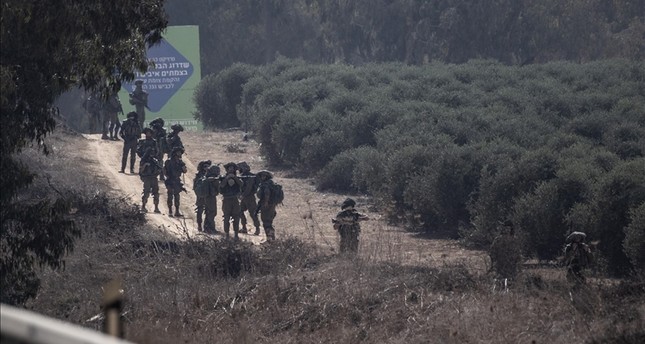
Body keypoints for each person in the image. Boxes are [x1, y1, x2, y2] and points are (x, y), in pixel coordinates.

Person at [219, 162, 243, 239]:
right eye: (229, 168)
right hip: (226, 199)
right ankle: (227, 234)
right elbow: (221, 186)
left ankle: (236, 234)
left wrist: (235, 178)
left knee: (236, 217)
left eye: (232, 168)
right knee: (226, 217)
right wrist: (227, 178)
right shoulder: (223, 177)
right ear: (227, 169)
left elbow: (241, 184)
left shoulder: (237, 178)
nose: (231, 170)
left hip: (235, 199)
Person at [237, 161, 261, 235]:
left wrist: (242, 195)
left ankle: (257, 229)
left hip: (249, 197)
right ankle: (244, 227)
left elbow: (249, 188)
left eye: (240, 168)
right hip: (244, 197)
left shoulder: (250, 177)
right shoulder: (243, 176)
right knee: (240, 212)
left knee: (253, 213)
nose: (239, 169)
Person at [255, 170, 278, 241]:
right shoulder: (271, 184)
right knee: (269, 222)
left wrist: (266, 202)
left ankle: (270, 239)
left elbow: (267, 193)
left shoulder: (266, 185)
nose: (262, 177)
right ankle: (271, 238)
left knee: (266, 223)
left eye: (264, 176)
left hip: (267, 206)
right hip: (271, 206)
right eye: (262, 176)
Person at [138, 144, 162, 213]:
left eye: (153, 153)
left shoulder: (155, 161)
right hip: (147, 178)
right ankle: (143, 206)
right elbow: (141, 171)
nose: (152, 155)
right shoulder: (144, 160)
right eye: (151, 153)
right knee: (146, 192)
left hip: (154, 178)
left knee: (156, 193)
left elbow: (159, 169)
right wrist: (145, 165)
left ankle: (156, 207)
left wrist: (158, 170)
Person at [164, 147, 187, 217]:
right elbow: (165, 171)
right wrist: (167, 177)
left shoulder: (180, 162)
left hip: (177, 180)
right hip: (170, 180)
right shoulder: (168, 161)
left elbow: (185, 171)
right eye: (178, 152)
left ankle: (177, 211)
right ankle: (170, 211)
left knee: (177, 196)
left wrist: (183, 166)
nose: (179, 153)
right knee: (170, 195)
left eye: (180, 152)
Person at [193, 160, 212, 232]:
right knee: (199, 211)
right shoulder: (198, 175)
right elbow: (195, 187)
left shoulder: (210, 174)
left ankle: (207, 226)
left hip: (208, 196)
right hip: (201, 196)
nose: (206, 168)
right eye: (205, 166)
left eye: (208, 166)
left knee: (208, 211)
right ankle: (199, 225)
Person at [203, 165, 221, 234]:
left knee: (208, 212)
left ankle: (206, 228)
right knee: (212, 212)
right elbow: (219, 188)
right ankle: (211, 228)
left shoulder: (207, 177)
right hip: (211, 197)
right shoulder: (214, 179)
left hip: (207, 197)